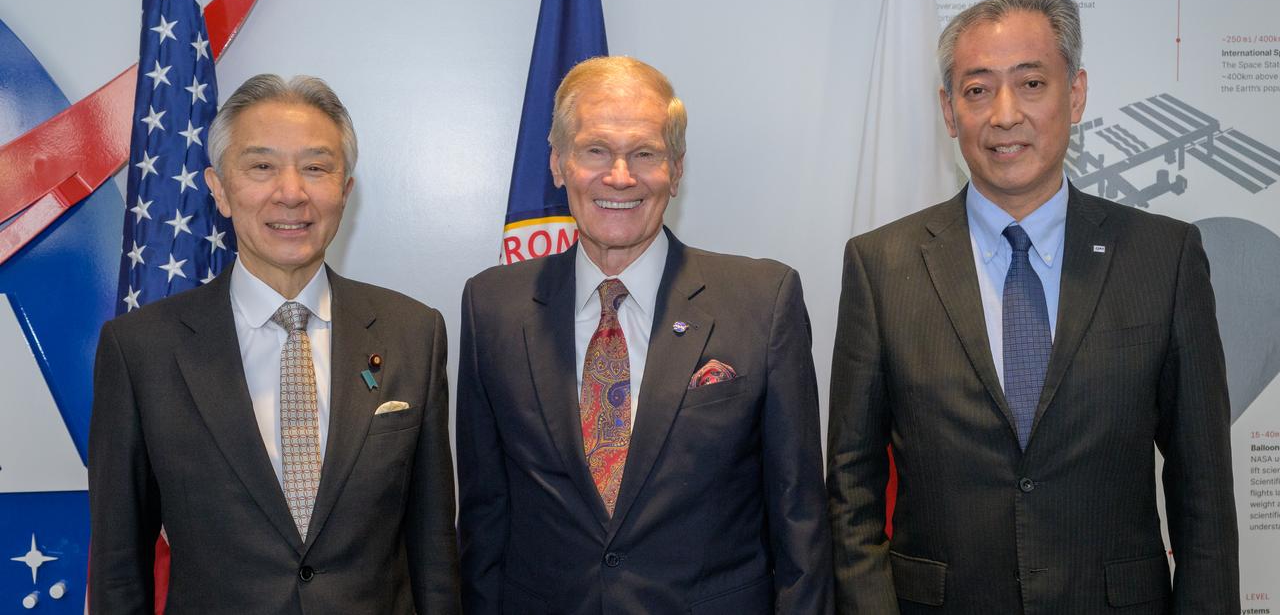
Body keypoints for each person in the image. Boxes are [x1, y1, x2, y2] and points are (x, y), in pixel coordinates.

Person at [827, 0, 1238, 613]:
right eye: (977, 90)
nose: (1005, 114)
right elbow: (851, 488)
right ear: (948, 110)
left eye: (1032, 83)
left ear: (1074, 95)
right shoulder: (881, 264)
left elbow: (1202, 490)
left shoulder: (1165, 257)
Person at [457, 56, 832, 614]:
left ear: (676, 170)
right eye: (595, 151)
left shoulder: (762, 299)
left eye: (645, 154)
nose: (620, 177)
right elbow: (486, 518)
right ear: (558, 163)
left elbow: (799, 515)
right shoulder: (492, 305)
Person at [89, 74, 459, 614]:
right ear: (218, 188)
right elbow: (120, 568)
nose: (292, 192)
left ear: (345, 191)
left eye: (316, 167)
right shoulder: (141, 349)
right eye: (261, 166)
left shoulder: (413, 332)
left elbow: (434, 550)